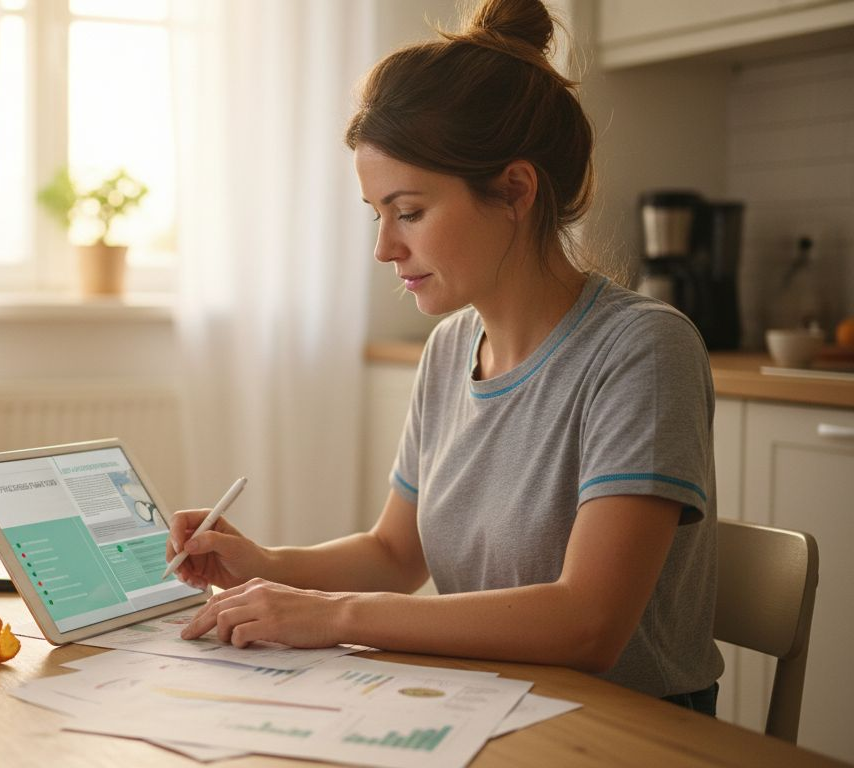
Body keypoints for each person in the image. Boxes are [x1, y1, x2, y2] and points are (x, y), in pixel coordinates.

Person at [166, 0, 724, 714]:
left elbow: (588, 625)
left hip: (622, 731)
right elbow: (396, 556)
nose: (384, 248)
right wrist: (264, 565)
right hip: (489, 705)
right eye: (378, 215)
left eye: (409, 212)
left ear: (515, 190)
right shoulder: (450, 349)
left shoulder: (642, 351)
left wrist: (334, 615)